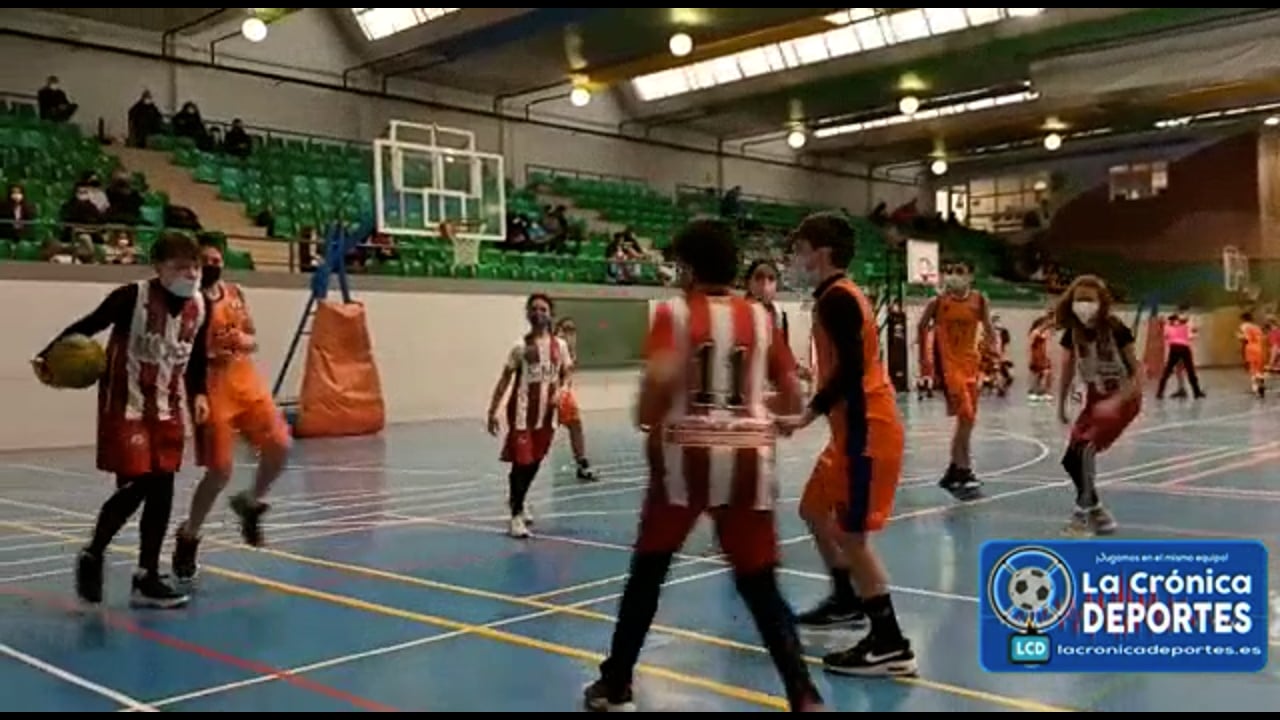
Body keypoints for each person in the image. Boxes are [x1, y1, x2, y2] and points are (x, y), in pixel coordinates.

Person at [584, 219, 825, 712]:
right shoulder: (760, 319)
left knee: (648, 573)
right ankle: (804, 695)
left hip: (684, 456)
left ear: (690, 268)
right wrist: (753, 414)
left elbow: (658, 386)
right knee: (760, 585)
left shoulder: (674, 315)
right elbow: (793, 398)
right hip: (748, 462)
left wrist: (650, 415)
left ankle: (616, 683)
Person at [32, 232, 209, 608]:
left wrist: (201, 394)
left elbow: (195, 357)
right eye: (180, 267)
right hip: (125, 405)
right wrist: (48, 355)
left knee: (163, 490)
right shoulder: (132, 297)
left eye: (194, 266)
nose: (190, 273)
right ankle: (94, 552)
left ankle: (146, 576)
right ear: (158, 268)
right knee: (140, 484)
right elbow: (89, 325)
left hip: (167, 407)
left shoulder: (199, 305)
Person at [778, 212, 916, 677]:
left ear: (821, 252)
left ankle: (889, 641)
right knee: (814, 510)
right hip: (850, 430)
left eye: (799, 249)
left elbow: (852, 368)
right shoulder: (835, 297)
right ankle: (845, 598)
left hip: (866, 430)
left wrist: (806, 414)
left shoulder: (837, 299)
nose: (794, 258)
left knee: (851, 536)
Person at [171, 237, 292, 586]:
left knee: (281, 446)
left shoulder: (236, 293)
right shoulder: (187, 302)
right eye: (205, 259)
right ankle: (189, 535)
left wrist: (243, 341)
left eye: (216, 259)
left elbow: (252, 335)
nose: (212, 264)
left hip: (245, 378)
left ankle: (251, 502)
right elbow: (181, 347)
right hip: (210, 385)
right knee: (220, 470)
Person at [1054, 275, 1141, 536]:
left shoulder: (1116, 329)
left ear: (1101, 303)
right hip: (1094, 397)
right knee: (1071, 459)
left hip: (1123, 396)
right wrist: (1061, 405)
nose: (1083, 305)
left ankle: (1080, 516)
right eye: (1078, 299)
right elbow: (1067, 370)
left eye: (1089, 300)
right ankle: (1097, 510)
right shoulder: (1072, 334)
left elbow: (1138, 372)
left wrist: (1117, 401)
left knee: (1086, 450)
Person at [486, 293, 571, 538]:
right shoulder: (520, 348)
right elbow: (504, 381)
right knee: (521, 463)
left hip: (548, 416)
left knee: (534, 463)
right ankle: (515, 515)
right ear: (527, 313)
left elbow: (567, 374)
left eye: (543, 309)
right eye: (534, 308)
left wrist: (562, 392)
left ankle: (519, 501)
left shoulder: (560, 347)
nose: (538, 313)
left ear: (550, 314)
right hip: (522, 416)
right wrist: (493, 410)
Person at [916, 259, 995, 501]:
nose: (953, 276)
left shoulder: (979, 300)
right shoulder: (938, 302)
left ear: (970, 276)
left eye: (959, 272)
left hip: (971, 365)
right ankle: (964, 469)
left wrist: (990, 357)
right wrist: (926, 363)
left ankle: (954, 470)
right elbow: (921, 327)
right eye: (949, 271)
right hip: (950, 368)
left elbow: (990, 330)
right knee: (967, 416)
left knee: (967, 423)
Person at [553, 317, 596, 482]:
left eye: (572, 330)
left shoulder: (571, 351)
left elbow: (568, 373)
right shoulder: (554, 348)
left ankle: (582, 464)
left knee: (576, 425)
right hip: (550, 393)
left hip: (563, 393)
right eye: (566, 329)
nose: (569, 333)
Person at [1238, 312, 1266, 398]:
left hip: (1250, 349)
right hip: (1259, 349)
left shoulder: (1245, 326)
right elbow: (1262, 337)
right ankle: (1261, 383)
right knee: (1259, 369)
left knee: (1253, 370)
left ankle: (1255, 389)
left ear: (1243, 319)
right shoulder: (1257, 327)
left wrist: (1239, 337)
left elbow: (1246, 339)